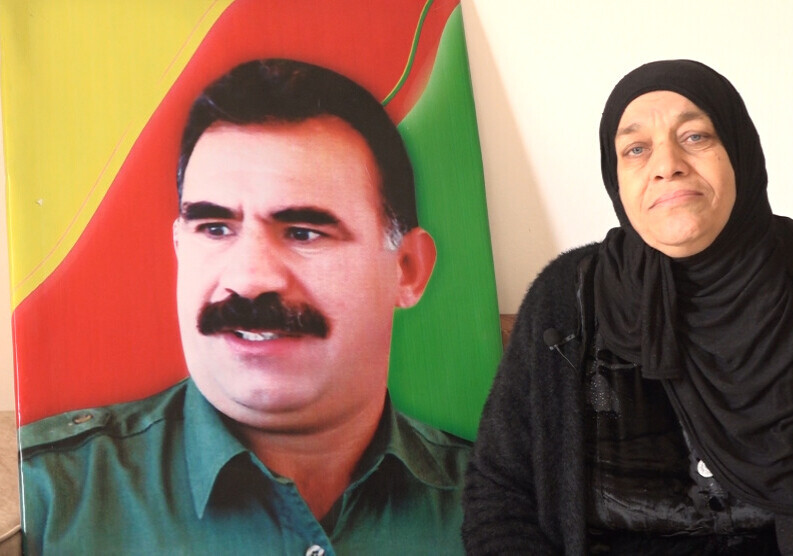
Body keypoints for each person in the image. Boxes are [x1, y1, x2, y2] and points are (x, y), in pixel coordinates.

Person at [462, 60, 793, 555]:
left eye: (696, 136)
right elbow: (501, 491)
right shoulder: (567, 298)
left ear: (739, 151)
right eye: (636, 149)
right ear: (615, 178)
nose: (667, 165)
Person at [20, 59, 469, 555]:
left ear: (407, 268)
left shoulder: (497, 502)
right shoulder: (48, 497)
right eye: (215, 229)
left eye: (303, 233)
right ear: (179, 247)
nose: (249, 281)